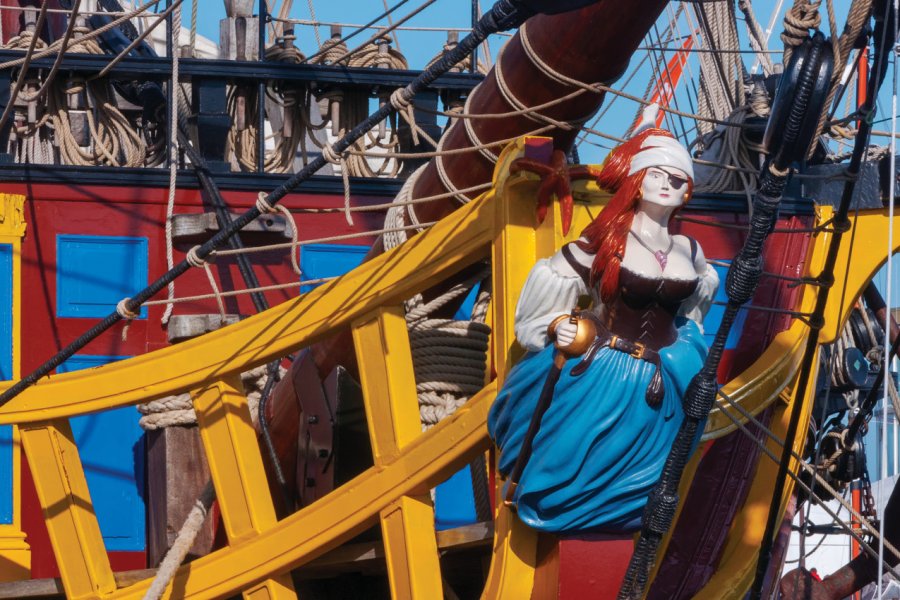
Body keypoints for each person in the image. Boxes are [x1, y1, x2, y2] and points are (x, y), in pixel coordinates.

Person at [488, 123, 719, 534]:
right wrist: (559, 324)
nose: (667, 184)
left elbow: (695, 311)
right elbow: (548, 295)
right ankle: (568, 509)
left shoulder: (692, 252)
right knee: (573, 456)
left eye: (677, 178)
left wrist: (691, 342)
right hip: (604, 370)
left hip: (665, 373)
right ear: (636, 180)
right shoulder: (605, 243)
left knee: (655, 469)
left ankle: (629, 514)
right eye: (657, 174)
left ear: (687, 189)